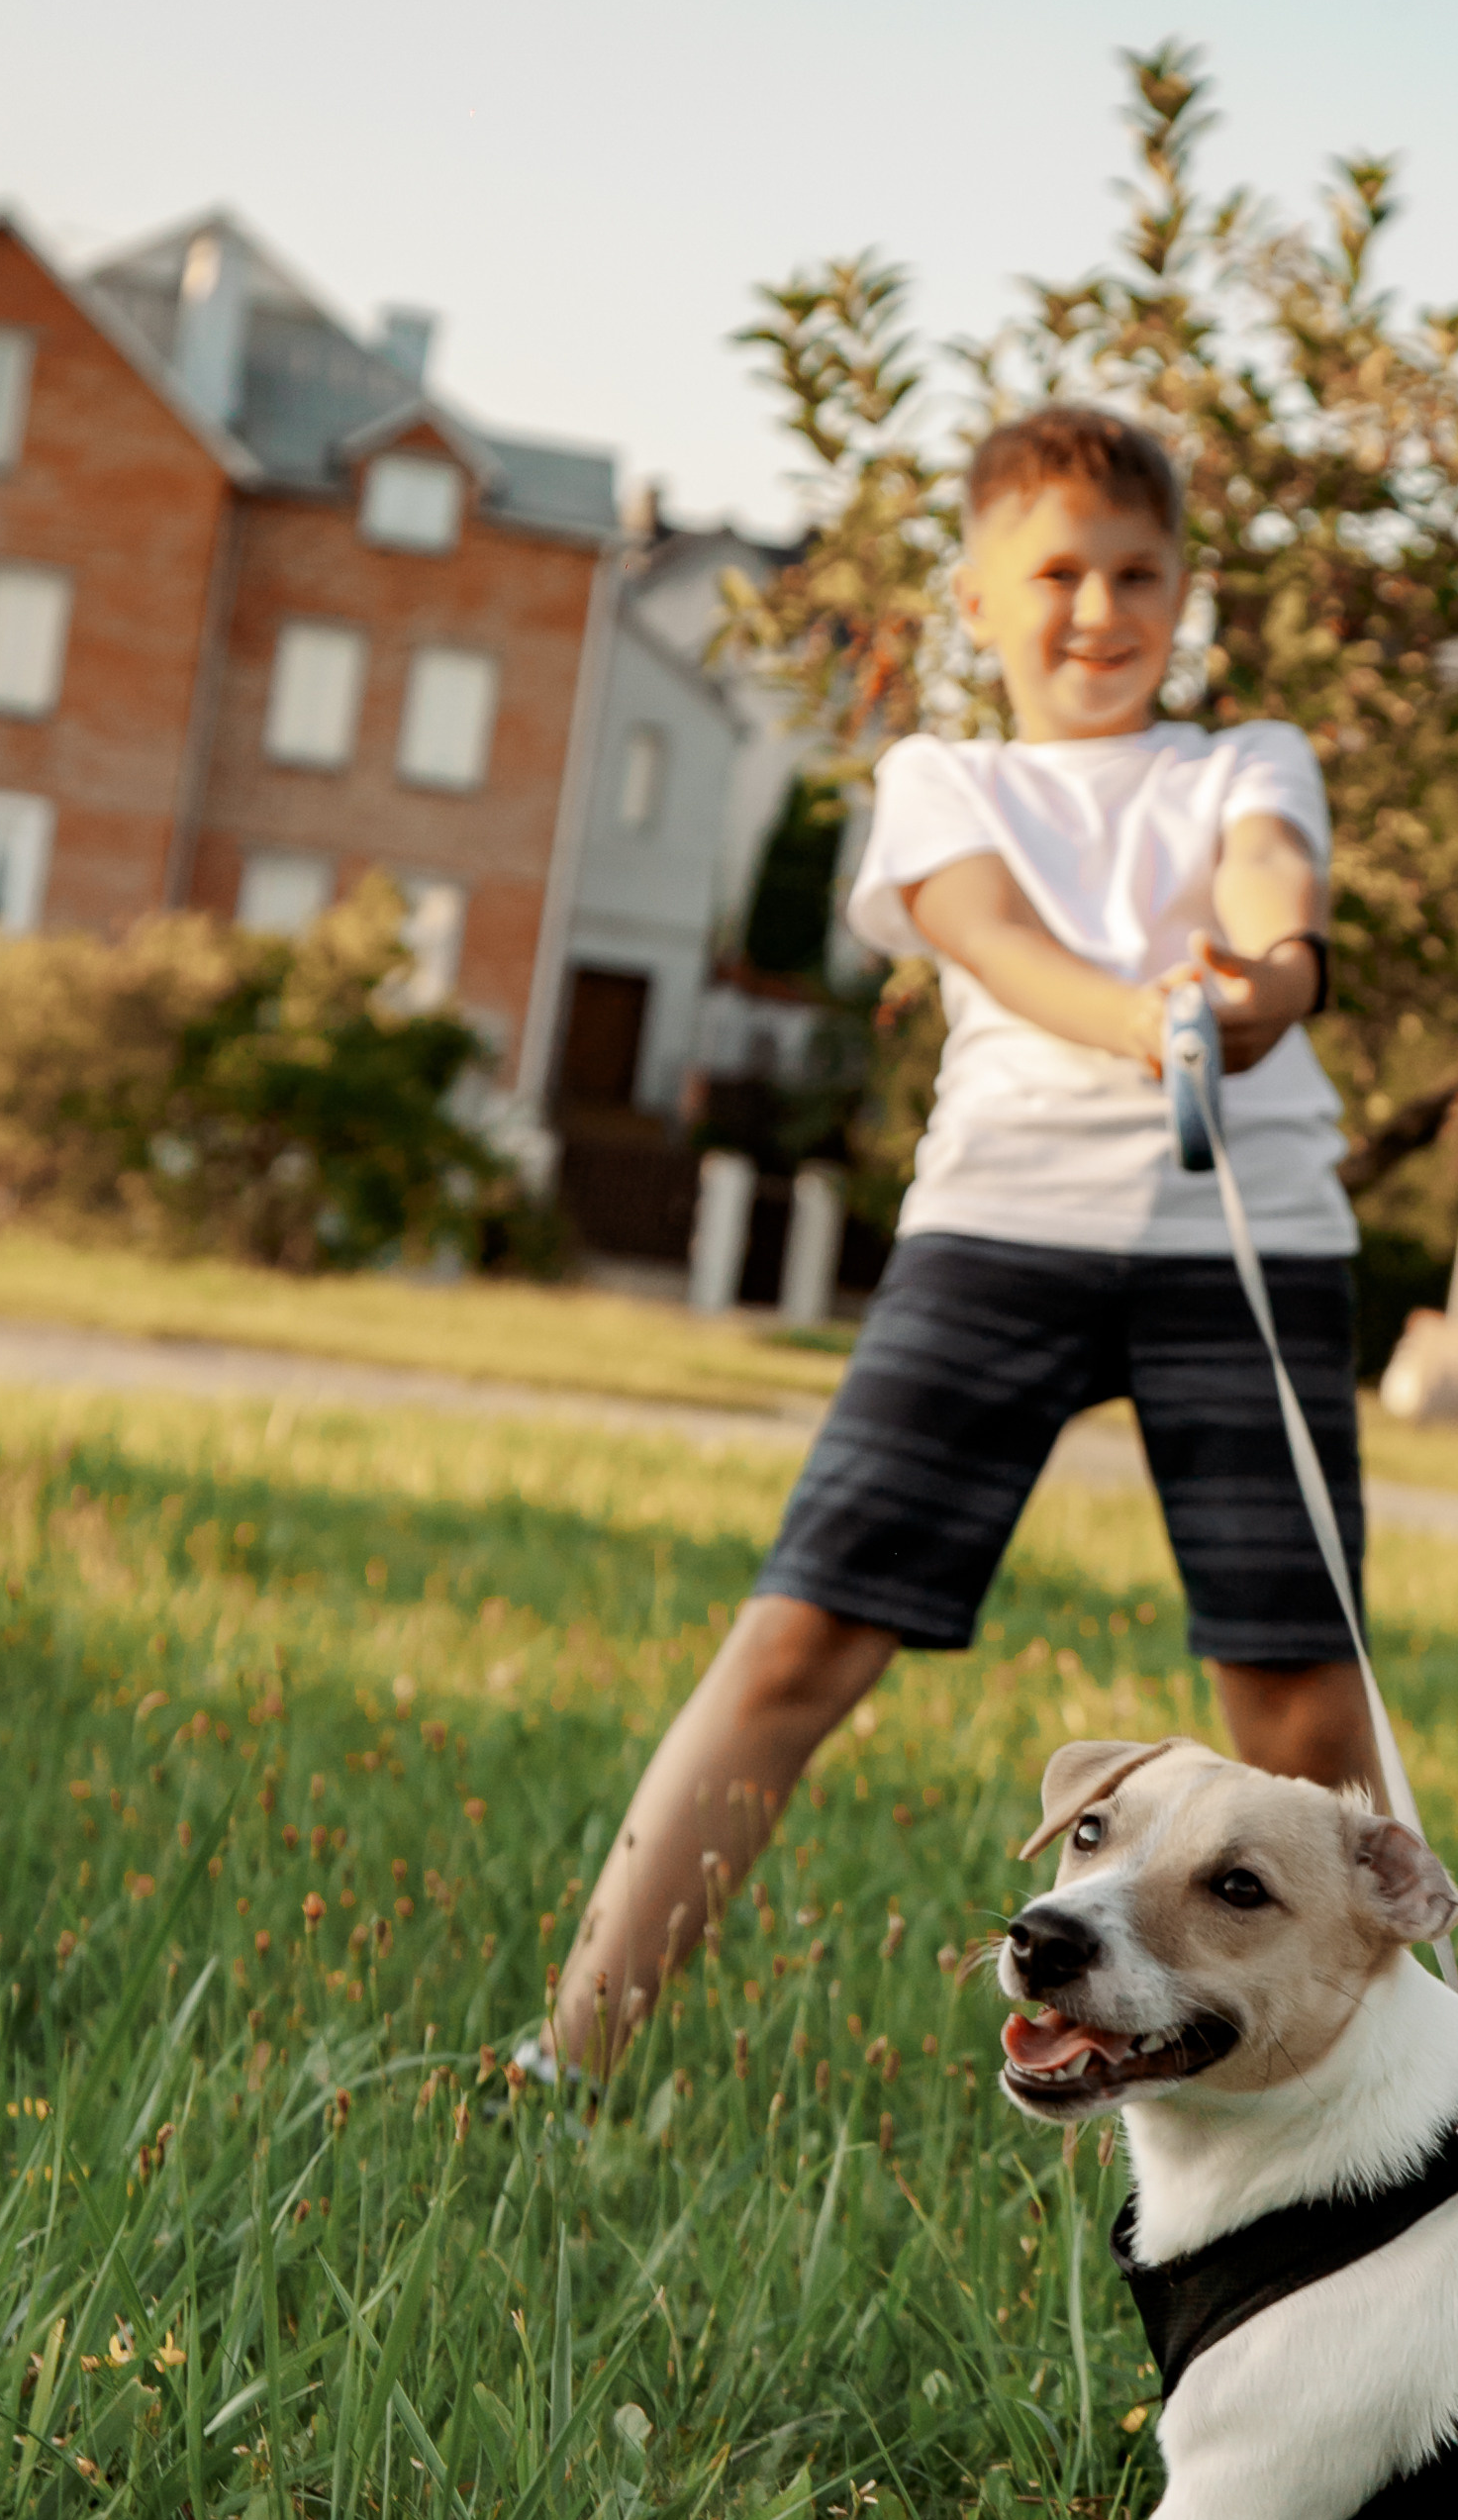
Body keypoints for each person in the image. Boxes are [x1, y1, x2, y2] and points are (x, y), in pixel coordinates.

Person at [528, 403, 1375, 2084]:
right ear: (976, 600)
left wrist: (1270, 986)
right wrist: (1149, 1022)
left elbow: (1274, 886)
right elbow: (989, 934)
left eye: (1140, 573)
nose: (1100, 609)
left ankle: (1388, 2115)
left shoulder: (1246, 762)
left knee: (1299, 1701)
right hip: (1001, 1231)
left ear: (1183, 590)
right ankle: (574, 2053)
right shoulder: (941, 780)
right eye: (1056, 573)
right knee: (796, 1644)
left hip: (1251, 1242)